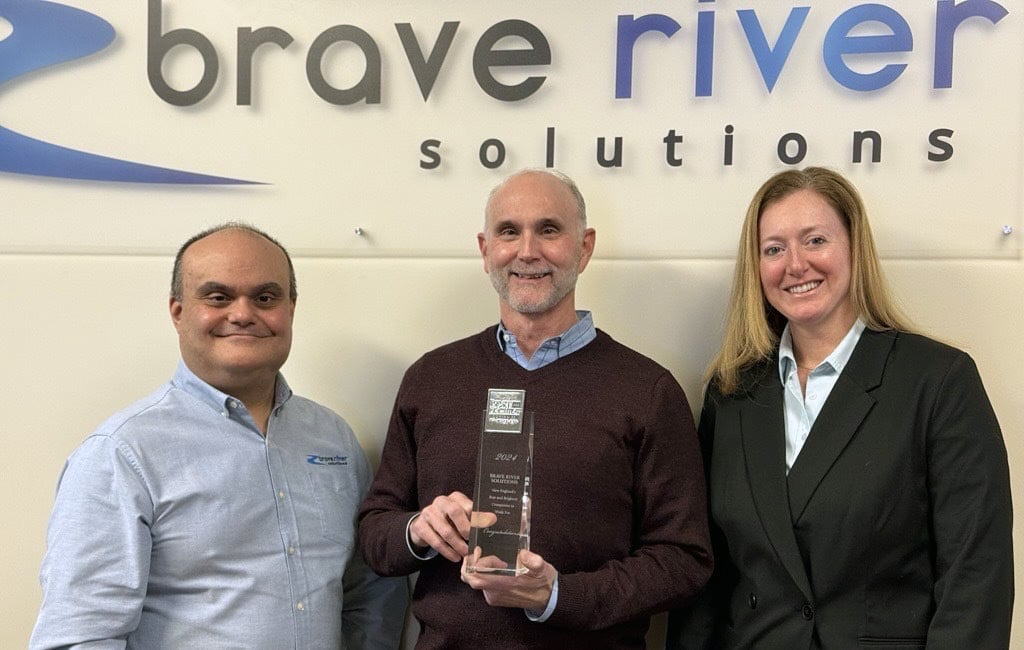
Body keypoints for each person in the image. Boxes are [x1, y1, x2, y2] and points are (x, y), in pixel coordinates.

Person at [357, 168, 713, 650]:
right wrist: (418, 530)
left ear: (583, 248)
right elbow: (376, 533)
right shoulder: (431, 379)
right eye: (509, 231)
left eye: (548, 229)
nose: (527, 251)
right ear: (485, 251)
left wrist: (558, 596)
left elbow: (683, 560)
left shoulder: (647, 391)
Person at [667, 167, 1014, 649]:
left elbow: (976, 575)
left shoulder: (937, 381)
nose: (795, 264)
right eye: (773, 249)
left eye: (815, 240)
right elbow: (709, 580)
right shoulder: (730, 395)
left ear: (854, 248)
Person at [31, 223, 407, 649]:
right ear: (177, 310)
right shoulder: (121, 454)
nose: (243, 313)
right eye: (218, 297)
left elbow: (369, 593)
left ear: (291, 308)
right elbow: (81, 634)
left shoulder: (332, 439)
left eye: (265, 298)